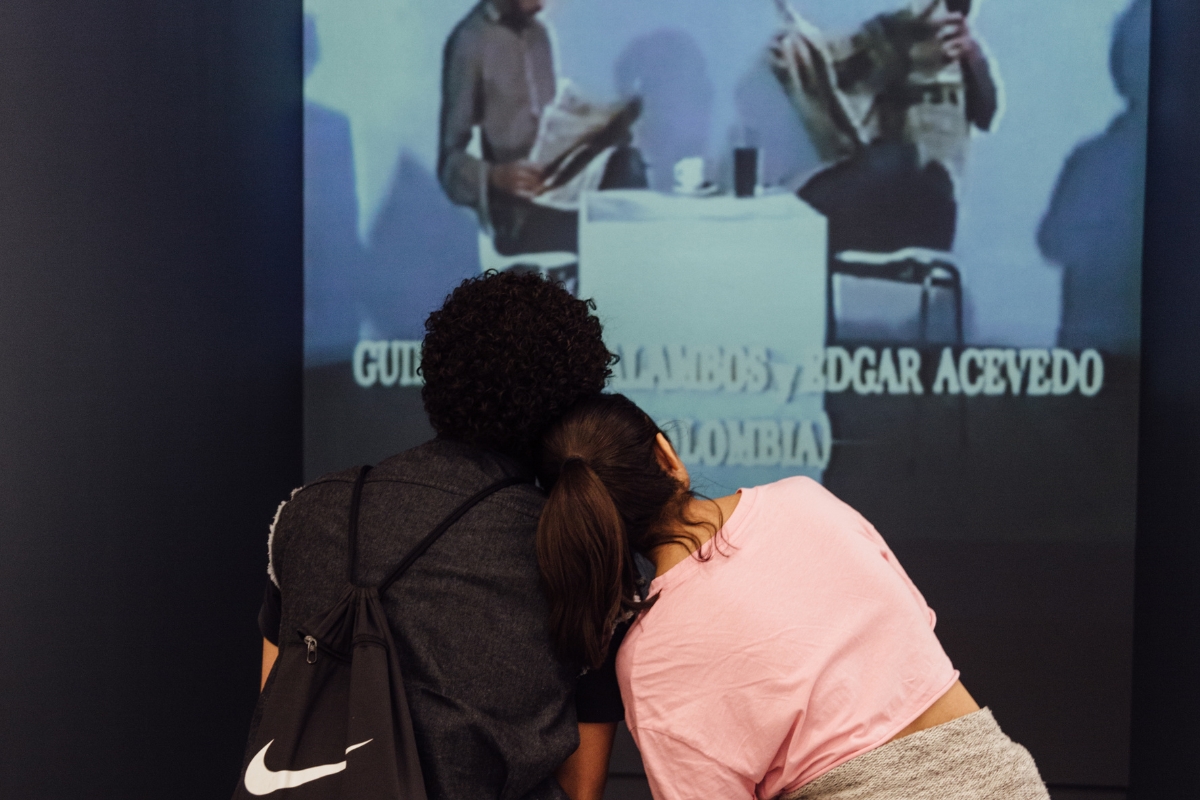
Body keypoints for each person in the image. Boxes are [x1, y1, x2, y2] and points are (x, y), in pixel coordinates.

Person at [535, 393, 1050, 799]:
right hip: (1003, 778)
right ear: (665, 455)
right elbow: (917, 623)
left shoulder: (648, 661)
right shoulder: (807, 499)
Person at [257, 271, 623, 800]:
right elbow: (581, 787)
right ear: (573, 406)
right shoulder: (575, 548)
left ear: (437, 378)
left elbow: (280, 705)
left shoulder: (308, 513)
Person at [771, 0, 999, 253]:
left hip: (929, 187)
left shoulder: (964, 51)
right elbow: (840, 67)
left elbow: (986, 113)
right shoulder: (892, 36)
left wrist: (973, 58)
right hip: (893, 174)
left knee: (813, 208)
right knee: (809, 203)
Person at [438, 0, 645, 271]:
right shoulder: (470, 41)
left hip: (556, 187)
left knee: (627, 164)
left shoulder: (540, 35)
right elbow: (449, 166)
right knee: (607, 231)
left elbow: (550, 127)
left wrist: (601, 137)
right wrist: (496, 177)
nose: (544, 4)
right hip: (517, 213)